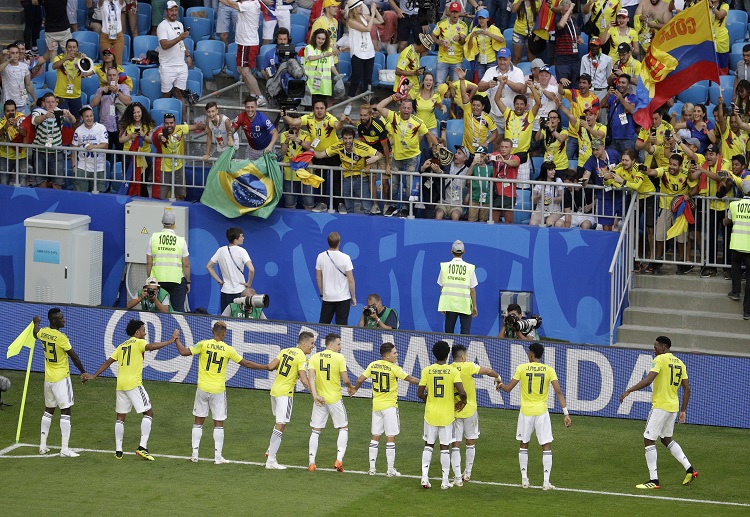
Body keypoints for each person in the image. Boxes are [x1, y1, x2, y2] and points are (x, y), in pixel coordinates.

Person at [81, 321, 179, 460]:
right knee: (149, 413)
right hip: (134, 384)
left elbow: (108, 362)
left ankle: (118, 451)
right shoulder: (138, 342)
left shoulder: (121, 346)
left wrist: (93, 376)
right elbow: (150, 346)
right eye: (144, 330)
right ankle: (142, 447)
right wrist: (170, 340)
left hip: (120, 385)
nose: (145, 333)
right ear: (137, 332)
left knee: (120, 417)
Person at [176, 321, 270, 464]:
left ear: (213, 331)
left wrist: (176, 338)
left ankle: (195, 454)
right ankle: (218, 457)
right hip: (218, 390)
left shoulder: (203, 344)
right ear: (223, 333)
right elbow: (247, 364)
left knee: (198, 421)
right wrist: (266, 367)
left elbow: (183, 352)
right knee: (218, 423)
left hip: (202, 388)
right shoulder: (228, 349)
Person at [619, 336, 698, 489]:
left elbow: (648, 380)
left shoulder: (660, 360)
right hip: (673, 407)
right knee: (666, 438)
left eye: (655, 347)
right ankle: (690, 469)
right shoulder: (680, 363)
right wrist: (683, 410)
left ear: (663, 347)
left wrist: (629, 390)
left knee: (648, 439)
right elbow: (687, 389)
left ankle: (654, 480)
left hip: (661, 406)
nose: (654, 350)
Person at [498, 342, 572, 490]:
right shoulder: (549, 370)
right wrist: (566, 413)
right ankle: (546, 482)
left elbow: (508, 389)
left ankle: (524, 480)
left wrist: (500, 384)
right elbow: (559, 391)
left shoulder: (522, 368)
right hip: (541, 412)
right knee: (546, 445)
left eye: (528, 353)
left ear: (532, 355)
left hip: (525, 412)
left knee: (524, 443)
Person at [349, 342, 418, 476]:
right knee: (390, 437)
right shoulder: (394, 368)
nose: (397, 355)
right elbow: (410, 379)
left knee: (375, 437)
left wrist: (355, 389)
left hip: (376, 407)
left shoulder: (373, 365)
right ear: (386, 356)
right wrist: (426, 383)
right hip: (390, 407)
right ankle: (390, 469)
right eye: (394, 353)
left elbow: (360, 379)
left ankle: (372, 469)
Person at [32, 308, 87, 457]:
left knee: (49, 409)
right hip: (61, 378)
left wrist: (36, 322)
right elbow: (74, 357)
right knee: (66, 410)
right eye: (61, 318)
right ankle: (64, 449)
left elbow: (34, 333)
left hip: (48, 379)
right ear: (54, 320)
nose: (64, 320)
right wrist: (83, 372)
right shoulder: (61, 338)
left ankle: (42, 446)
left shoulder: (43, 332)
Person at [375, 94, 439, 217]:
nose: (406, 110)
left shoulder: (417, 122)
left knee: (409, 186)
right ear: (400, 108)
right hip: (397, 157)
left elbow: (428, 134)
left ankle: (405, 208)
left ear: (412, 110)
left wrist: (437, 146)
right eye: (404, 107)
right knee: (394, 184)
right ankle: (393, 205)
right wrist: (392, 97)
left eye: (408, 108)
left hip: (412, 158)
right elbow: (379, 107)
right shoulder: (393, 117)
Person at [264, 331, 320, 470]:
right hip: (285, 394)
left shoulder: (285, 351)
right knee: (281, 424)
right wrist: (314, 394)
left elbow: (271, 367)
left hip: (275, 391)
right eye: (311, 343)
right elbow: (303, 378)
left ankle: (270, 450)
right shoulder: (301, 357)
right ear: (303, 343)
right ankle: (271, 460)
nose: (313, 347)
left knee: (280, 423)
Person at [418, 340, 467, 489]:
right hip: (447, 415)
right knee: (445, 448)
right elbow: (462, 392)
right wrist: (462, 402)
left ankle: (424, 478)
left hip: (431, 414)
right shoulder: (453, 371)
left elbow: (420, 393)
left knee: (428, 445)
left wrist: (430, 400)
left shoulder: (427, 370)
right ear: (447, 355)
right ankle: (445, 481)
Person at [449, 344, 500, 485]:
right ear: (463, 356)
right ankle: (468, 474)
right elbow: (488, 371)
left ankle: (457, 477)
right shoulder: (469, 366)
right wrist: (498, 377)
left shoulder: (449, 369)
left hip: (454, 411)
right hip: (470, 410)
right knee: (470, 441)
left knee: (455, 444)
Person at [284, 98, 344, 212]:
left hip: (332, 153)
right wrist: (284, 115)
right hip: (317, 154)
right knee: (320, 179)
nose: (319, 111)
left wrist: (342, 121)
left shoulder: (330, 118)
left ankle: (340, 204)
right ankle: (322, 203)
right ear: (313, 109)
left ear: (326, 109)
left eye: (322, 108)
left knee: (336, 180)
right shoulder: (309, 118)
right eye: (317, 108)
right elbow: (292, 122)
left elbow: (338, 126)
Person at [306, 333, 353, 472]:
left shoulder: (314, 357)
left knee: (315, 430)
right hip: (334, 399)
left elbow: (310, 379)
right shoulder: (339, 357)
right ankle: (339, 460)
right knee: (343, 428)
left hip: (319, 399)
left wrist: (315, 396)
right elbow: (345, 379)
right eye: (338, 344)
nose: (340, 347)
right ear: (331, 344)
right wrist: (351, 387)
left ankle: (311, 462)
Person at [312, 126, 381, 214]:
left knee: (366, 207)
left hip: (361, 178)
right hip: (346, 178)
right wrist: (310, 151)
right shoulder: (338, 145)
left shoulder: (361, 146)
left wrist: (374, 159)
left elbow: (379, 154)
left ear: (353, 138)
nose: (348, 141)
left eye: (350, 138)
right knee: (348, 209)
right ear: (342, 139)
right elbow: (321, 155)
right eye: (345, 138)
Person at [218, 0, 266, 105]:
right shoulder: (250, 4)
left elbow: (230, 3)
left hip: (248, 43)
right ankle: (253, 95)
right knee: (240, 69)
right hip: (243, 42)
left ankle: (260, 97)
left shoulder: (248, 5)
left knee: (245, 71)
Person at [146, 210, 191, 312]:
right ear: (174, 224)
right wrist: (188, 281)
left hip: (157, 280)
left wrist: (150, 279)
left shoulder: (153, 238)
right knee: (177, 311)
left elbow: (149, 262)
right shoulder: (180, 241)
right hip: (177, 281)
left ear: (162, 222)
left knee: (158, 310)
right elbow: (186, 264)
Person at [154, 113, 206, 200]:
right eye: (167, 123)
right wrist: (162, 138)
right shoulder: (160, 131)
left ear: (175, 123)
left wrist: (206, 127)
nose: (169, 125)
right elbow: (159, 136)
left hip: (179, 168)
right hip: (165, 169)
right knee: (161, 197)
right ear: (164, 123)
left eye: (171, 123)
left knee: (181, 194)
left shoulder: (180, 128)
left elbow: (196, 127)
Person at [31, 92, 76, 188]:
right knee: (41, 182)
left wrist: (69, 114)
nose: (51, 104)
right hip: (40, 152)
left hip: (56, 153)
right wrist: (45, 116)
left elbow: (73, 121)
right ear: (43, 103)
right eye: (48, 102)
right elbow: (34, 121)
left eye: (52, 102)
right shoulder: (38, 111)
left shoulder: (60, 112)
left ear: (56, 103)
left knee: (57, 183)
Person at [90, 66, 131, 169]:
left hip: (120, 127)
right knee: (105, 156)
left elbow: (128, 101)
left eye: (114, 75)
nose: (112, 77)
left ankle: (122, 179)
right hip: (105, 127)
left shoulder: (123, 88)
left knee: (122, 156)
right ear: (106, 77)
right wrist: (102, 93)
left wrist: (117, 92)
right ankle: (106, 180)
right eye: (109, 75)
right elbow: (93, 104)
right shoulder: (101, 89)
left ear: (117, 77)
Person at [206, 227, 255, 313]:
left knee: (225, 318)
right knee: (240, 317)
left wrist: (219, 281)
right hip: (240, 291)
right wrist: (249, 283)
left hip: (225, 291)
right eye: (241, 236)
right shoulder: (242, 251)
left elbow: (209, 266)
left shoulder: (220, 250)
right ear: (236, 239)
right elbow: (251, 269)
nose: (243, 238)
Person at [477, 47, 525, 131]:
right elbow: (480, 87)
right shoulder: (490, 71)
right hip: (494, 114)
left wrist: (507, 82)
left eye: (505, 59)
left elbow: (521, 89)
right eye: (500, 59)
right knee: (495, 142)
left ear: (510, 58)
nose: (502, 62)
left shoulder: (517, 71)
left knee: (510, 142)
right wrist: (488, 84)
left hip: (512, 114)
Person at [316, 231, 357, 325]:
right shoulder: (346, 258)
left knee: (323, 325)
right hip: (343, 298)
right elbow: (350, 279)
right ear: (339, 243)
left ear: (328, 242)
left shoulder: (320, 257)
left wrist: (322, 294)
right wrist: (353, 296)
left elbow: (318, 278)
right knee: (342, 326)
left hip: (328, 297)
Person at [438, 240, 478, 335]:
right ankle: (462, 350)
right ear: (464, 252)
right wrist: (474, 306)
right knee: (465, 333)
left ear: (451, 251)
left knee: (449, 333)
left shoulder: (445, 266)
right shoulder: (469, 268)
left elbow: (442, 287)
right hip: (465, 304)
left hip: (450, 304)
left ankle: (449, 349)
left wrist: (444, 305)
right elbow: (472, 290)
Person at [345, 0, 383, 98]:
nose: (361, 8)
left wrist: (376, 10)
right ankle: (349, 103)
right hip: (357, 53)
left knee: (368, 79)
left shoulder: (364, 17)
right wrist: (373, 12)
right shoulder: (351, 21)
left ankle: (367, 101)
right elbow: (368, 29)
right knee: (356, 79)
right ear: (353, 9)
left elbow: (380, 21)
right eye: (359, 7)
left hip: (369, 52)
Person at [157, 1, 193, 103]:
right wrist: (179, 38)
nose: (174, 13)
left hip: (181, 65)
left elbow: (181, 43)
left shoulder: (180, 24)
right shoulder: (162, 26)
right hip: (167, 66)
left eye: (176, 10)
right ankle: (166, 117)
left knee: (180, 94)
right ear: (166, 11)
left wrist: (188, 55)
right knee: (166, 95)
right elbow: (164, 45)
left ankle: (183, 119)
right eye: (171, 10)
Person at [52, 38, 95, 123]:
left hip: (75, 95)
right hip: (61, 95)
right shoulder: (59, 57)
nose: (72, 49)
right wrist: (65, 58)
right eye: (70, 47)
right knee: (60, 120)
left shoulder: (80, 59)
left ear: (77, 48)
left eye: (74, 47)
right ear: (66, 48)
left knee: (77, 120)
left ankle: (75, 136)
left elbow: (90, 69)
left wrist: (85, 59)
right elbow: (54, 66)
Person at [118, 102, 155, 197]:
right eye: (134, 113)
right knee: (129, 181)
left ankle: (144, 202)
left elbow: (151, 140)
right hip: (128, 157)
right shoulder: (126, 124)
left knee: (142, 183)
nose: (136, 115)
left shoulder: (148, 124)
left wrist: (143, 136)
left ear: (142, 112)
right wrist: (130, 136)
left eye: (138, 112)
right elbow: (120, 140)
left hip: (144, 156)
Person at [457, 68, 497, 154]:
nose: (475, 108)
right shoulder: (468, 111)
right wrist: (462, 79)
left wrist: (487, 142)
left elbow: (495, 133)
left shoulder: (488, 118)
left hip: (480, 152)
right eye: (474, 105)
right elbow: (464, 94)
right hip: (466, 152)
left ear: (483, 107)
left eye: (478, 106)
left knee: (477, 166)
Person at [71, 105, 109, 192]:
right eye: (86, 116)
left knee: (98, 196)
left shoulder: (101, 128)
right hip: (82, 167)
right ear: (82, 118)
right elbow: (73, 149)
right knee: (81, 195)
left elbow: (105, 145)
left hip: (99, 167)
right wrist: (74, 166)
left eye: (91, 116)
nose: (89, 118)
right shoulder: (78, 130)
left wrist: (94, 147)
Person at [726, 180, 750, 319]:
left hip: (736, 244)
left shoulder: (734, 205)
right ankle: (747, 311)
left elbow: (728, 220)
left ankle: (735, 292)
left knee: (735, 266)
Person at [232, 95, 278, 160]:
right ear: (245, 107)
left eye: (252, 107)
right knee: (247, 169)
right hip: (251, 150)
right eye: (248, 107)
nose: (250, 110)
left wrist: (270, 146)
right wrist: (230, 137)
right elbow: (231, 130)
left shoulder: (263, 118)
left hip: (267, 149)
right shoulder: (240, 117)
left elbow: (275, 133)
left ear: (256, 107)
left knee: (269, 170)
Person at [464, 8, 505, 82]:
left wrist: (488, 34)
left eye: (483, 18)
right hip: (480, 60)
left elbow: (501, 40)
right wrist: (471, 37)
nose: (481, 20)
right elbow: (470, 47)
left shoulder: (493, 28)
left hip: (492, 59)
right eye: (479, 18)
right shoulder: (475, 29)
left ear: (487, 19)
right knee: (481, 81)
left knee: (492, 80)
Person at [432, 2, 467, 84]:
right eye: (453, 12)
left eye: (457, 12)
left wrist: (459, 38)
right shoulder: (441, 24)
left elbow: (462, 42)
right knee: (439, 84)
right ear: (449, 12)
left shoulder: (463, 25)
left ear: (460, 13)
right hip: (443, 59)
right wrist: (438, 42)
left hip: (456, 60)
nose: (454, 14)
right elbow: (433, 35)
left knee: (456, 85)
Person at [490, 138, 521, 223]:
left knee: (509, 221)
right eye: (502, 147)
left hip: (509, 192)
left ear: (511, 149)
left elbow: (515, 163)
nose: (503, 149)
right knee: (494, 221)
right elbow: (487, 158)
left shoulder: (515, 157)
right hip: (496, 191)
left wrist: (504, 161)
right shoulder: (496, 155)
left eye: (506, 147)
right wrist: (488, 157)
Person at [0, 44, 36, 116]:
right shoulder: (6, 66)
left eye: (17, 53)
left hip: (22, 102)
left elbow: (28, 84)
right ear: (8, 53)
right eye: (12, 53)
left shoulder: (24, 66)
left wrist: (34, 98)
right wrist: (7, 58)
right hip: (8, 103)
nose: (15, 55)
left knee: (23, 125)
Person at [0, 100, 29, 186]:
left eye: (12, 110)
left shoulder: (22, 118)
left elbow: (26, 134)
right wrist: (5, 127)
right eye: (8, 111)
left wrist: (16, 126)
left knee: (22, 182)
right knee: (4, 182)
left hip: (21, 155)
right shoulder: (1, 119)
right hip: (5, 155)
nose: (10, 113)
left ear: (16, 110)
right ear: (4, 111)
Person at [305, 28, 338, 99]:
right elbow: (310, 58)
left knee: (322, 106)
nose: (320, 41)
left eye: (323, 39)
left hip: (324, 85)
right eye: (319, 38)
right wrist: (323, 55)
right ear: (315, 38)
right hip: (311, 83)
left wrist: (338, 76)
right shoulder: (309, 48)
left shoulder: (329, 50)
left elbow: (331, 65)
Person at [529, 161, 564, 227]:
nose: (553, 171)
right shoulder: (538, 182)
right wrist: (539, 196)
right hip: (540, 210)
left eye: (554, 169)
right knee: (532, 223)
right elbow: (533, 200)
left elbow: (561, 197)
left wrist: (553, 199)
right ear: (545, 171)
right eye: (550, 170)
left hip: (554, 211)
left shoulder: (558, 180)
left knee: (549, 222)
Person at [465, 146, 493, 222]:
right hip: (474, 198)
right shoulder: (474, 167)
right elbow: (467, 176)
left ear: (486, 157)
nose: (480, 158)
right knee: (472, 219)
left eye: (482, 156)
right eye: (478, 156)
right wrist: (473, 164)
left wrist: (491, 159)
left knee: (483, 220)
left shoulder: (490, 168)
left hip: (486, 199)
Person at [99, 0, 126, 65]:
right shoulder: (103, 2)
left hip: (118, 36)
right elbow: (99, 4)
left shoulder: (118, 2)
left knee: (118, 63)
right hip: (105, 36)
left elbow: (122, 2)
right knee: (107, 62)